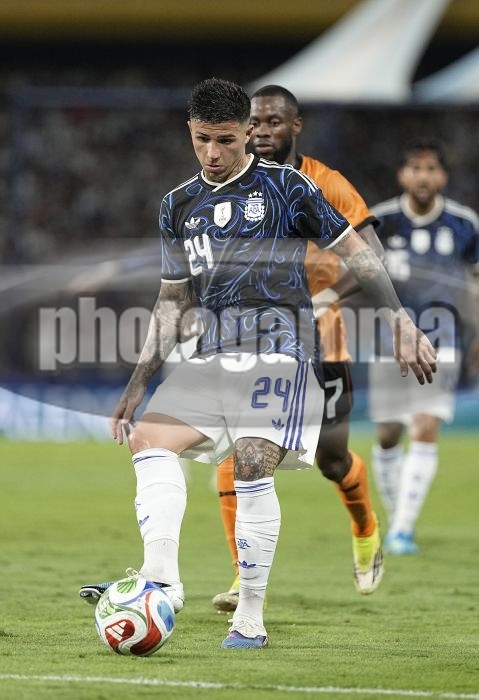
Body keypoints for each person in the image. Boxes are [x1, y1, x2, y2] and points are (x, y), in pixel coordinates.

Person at [80, 78, 437, 650]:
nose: (213, 153)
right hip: (213, 355)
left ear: (247, 133)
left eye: (225, 140)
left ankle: (249, 616)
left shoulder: (287, 187)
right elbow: (172, 301)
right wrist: (137, 383)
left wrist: (400, 321)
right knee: (147, 438)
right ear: (190, 132)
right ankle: (162, 582)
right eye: (202, 139)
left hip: (283, 352)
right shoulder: (177, 205)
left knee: (252, 462)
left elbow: (358, 253)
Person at [212, 85, 386, 614]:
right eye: (255, 123)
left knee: (332, 460)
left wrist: (328, 295)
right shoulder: (234, 184)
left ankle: (365, 528)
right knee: (235, 455)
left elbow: (374, 254)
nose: (263, 131)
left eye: (273, 122)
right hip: (254, 343)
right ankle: (243, 576)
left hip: (322, 343)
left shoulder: (326, 183)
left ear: (296, 126)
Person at [368, 139, 479, 555]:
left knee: (425, 424)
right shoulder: (380, 220)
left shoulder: (464, 224)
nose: (423, 176)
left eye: (431, 169)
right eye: (416, 168)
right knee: (387, 434)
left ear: (442, 176)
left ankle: (401, 530)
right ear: (403, 174)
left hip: (442, 337)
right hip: (389, 340)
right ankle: (397, 517)